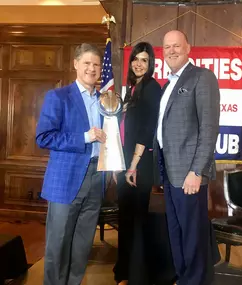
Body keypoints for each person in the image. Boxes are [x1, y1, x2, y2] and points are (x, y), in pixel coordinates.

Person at [36, 43, 106, 285]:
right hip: (65, 180)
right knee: (58, 244)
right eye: (87, 63)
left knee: (83, 243)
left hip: (97, 177)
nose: (92, 68)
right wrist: (84, 137)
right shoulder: (58, 97)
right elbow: (43, 137)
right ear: (75, 64)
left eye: (96, 64)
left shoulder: (106, 101)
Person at [154, 30, 221, 285]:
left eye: (176, 46)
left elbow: (208, 129)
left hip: (189, 175)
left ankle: (196, 281)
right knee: (176, 231)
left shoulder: (202, 78)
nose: (171, 50)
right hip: (170, 173)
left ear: (188, 48)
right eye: (167, 47)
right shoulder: (168, 84)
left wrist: (197, 172)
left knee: (193, 235)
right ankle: (184, 278)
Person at [113, 42, 161, 285]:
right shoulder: (132, 88)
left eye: (144, 60)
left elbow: (146, 130)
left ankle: (136, 274)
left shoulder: (152, 88)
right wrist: (117, 163)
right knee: (125, 219)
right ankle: (124, 271)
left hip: (139, 164)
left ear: (150, 64)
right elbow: (123, 130)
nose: (139, 63)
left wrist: (132, 166)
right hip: (125, 161)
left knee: (136, 220)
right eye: (136, 59)